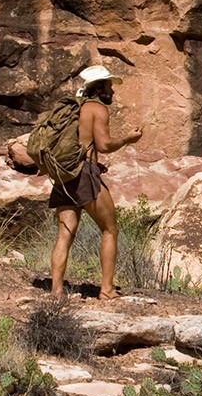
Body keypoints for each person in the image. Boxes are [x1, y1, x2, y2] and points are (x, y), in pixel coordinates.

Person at [48, 65, 143, 300]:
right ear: (99, 88)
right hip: (84, 175)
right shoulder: (97, 109)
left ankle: (56, 291)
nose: (113, 91)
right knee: (110, 229)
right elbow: (103, 145)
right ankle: (107, 290)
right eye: (110, 86)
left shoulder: (75, 109)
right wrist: (128, 139)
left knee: (64, 234)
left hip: (65, 174)